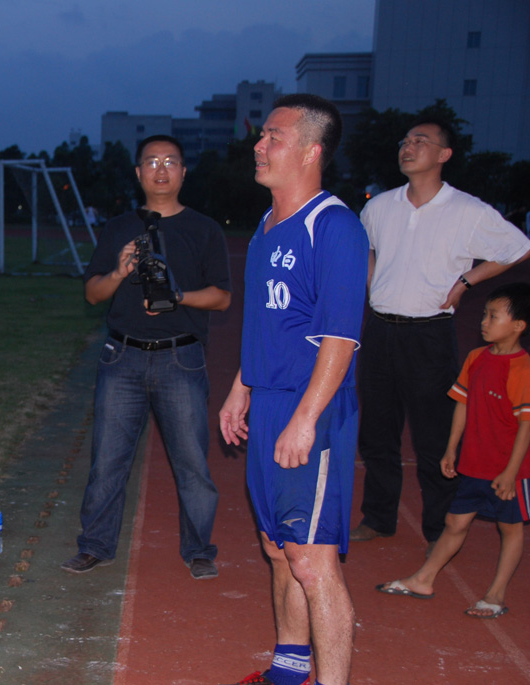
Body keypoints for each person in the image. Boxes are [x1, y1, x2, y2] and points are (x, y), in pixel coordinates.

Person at [219, 94, 368, 685]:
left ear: (310, 151)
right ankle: (287, 671)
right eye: (262, 136)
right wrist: (241, 387)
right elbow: (266, 323)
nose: (259, 145)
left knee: (311, 559)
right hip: (269, 400)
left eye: (273, 137)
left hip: (314, 406)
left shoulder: (333, 225)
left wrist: (305, 419)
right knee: (278, 548)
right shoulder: (265, 227)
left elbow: (341, 336)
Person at [351, 116, 530, 552]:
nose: (408, 146)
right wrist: (374, 283)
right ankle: (378, 517)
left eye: (421, 141)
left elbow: (519, 247)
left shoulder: (467, 210)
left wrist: (468, 280)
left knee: (434, 436)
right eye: (405, 140)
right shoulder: (380, 206)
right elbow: (364, 247)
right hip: (380, 331)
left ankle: (438, 527)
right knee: (376, 432)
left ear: (444, 155)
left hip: (429, 335)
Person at [60, 134, 231, 580]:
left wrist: (178, 297)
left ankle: (199, 549)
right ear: (138, 173)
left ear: (183, 172)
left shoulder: (204, 229)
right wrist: (119, 271)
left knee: (192, 463)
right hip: (123, 358)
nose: (161, 169)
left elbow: (222, 297)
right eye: (151, 162)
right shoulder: (118, 228)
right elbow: (92, 294)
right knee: (108, 461)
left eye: (170, 161)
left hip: (181, 359)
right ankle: (95, 545)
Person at [376, 282, 530, 619]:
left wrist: (510, 473)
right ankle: (423, 580)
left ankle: (495, 594)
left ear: (519, 325)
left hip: (509, 469)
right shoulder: (476, 358)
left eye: (493, 316)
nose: (484, 322)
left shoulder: (523, 370)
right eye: (485, 314)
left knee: (510, 528)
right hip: (474, 463)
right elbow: (462, 404)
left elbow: (526, 427)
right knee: (454, 521)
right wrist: (450, 450)